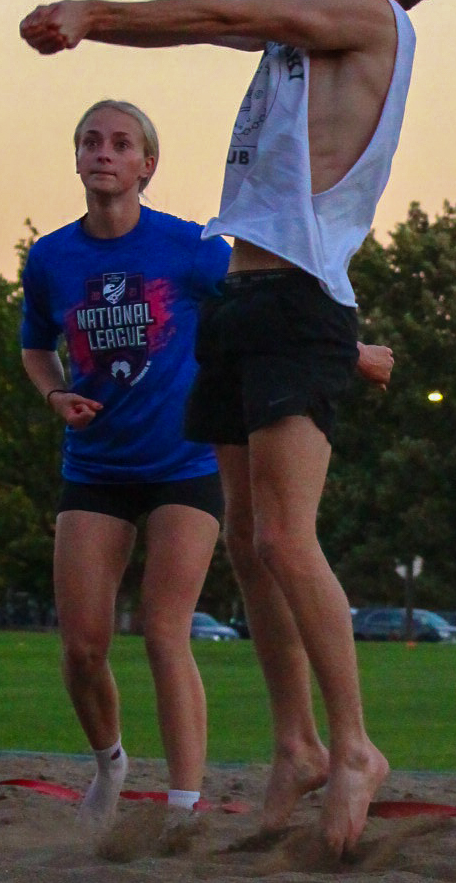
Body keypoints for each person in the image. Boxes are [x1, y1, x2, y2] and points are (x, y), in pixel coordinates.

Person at [21, 0, 454, 856]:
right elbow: (217, 23)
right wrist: (118, 27)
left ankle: (354, 748)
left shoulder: (370, 22)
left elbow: (230, 9)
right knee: (254, 544)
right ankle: (295, 744)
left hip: (300, 298)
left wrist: (92, 13)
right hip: (245, 299)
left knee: (289, 540)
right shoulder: (307, 35)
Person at [22, 99, 390, 834]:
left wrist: (350, 353)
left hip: (182, 461)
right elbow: (35, 344)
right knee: (84, 645)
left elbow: (272, 314)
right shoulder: (51, 258)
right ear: (76, 157)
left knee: (165, 629)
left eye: (121, 143)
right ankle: (110, 764)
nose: (104, 153)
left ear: (146, 166)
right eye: (90, 140)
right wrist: (55, 391)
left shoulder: (192, 248)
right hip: (94, 465)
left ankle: (184, 808)